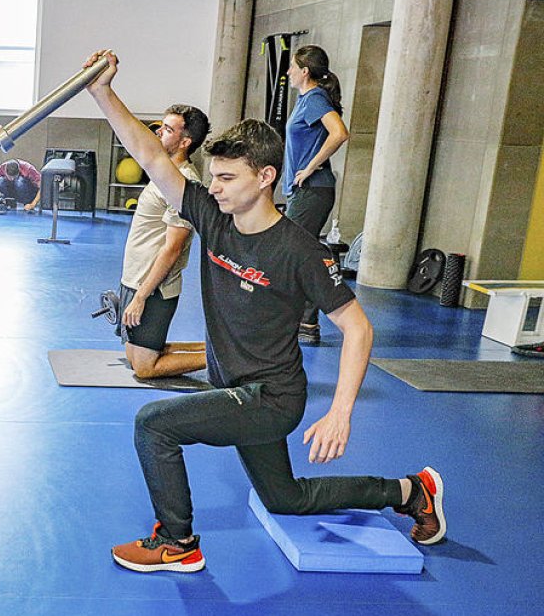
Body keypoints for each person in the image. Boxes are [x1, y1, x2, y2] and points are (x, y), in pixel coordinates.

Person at [84, 50, 444, 575]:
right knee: (286, 497)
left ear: (265, 177)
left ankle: (178, 544)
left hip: (271, 398)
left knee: (154, 425)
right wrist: (102, 93)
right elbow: (153, 158)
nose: (216, 187)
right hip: (234, 386)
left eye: (228, 178)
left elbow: (358, 328)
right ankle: (411, 491)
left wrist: (340, 412)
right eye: (214, 177)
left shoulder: (300, 251)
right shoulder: (214, 216)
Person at [118, 105, 211, 379]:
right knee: (133, 355)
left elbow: (173, 248)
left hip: (155, 288)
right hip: (135, 278)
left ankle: (224, 357)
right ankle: (213, 347)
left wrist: (141, 297)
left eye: (168, 130)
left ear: (185, 142)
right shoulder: (163, 171)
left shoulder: (183, 184)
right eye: (162, 126)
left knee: (144, 368)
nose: (159, 132)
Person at [284, 45, 350, 345]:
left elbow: (339, 133)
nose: (288, 72)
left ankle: (306, 319)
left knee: (296, 252)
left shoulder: (314, 99)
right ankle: (305, 320)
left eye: (292, 67)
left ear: (305, 71)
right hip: (305, 190)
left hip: (313, 189)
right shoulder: (305, 100)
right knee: (299, 252)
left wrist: (311, 166)